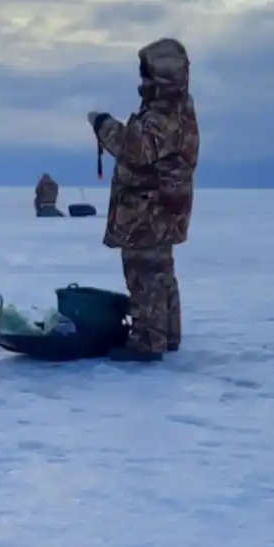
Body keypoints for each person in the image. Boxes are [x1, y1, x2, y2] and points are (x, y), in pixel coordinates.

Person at [88, 37, 200, 361]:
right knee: (160, 269)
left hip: (148, 210)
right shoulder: (175, 107)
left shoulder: (163, 114)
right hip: (163, 207)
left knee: (143, 271)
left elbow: (134, 150)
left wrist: (102, 125)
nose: (143, 82)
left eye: (148, 75)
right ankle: (168, 335)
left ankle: (148, 341)